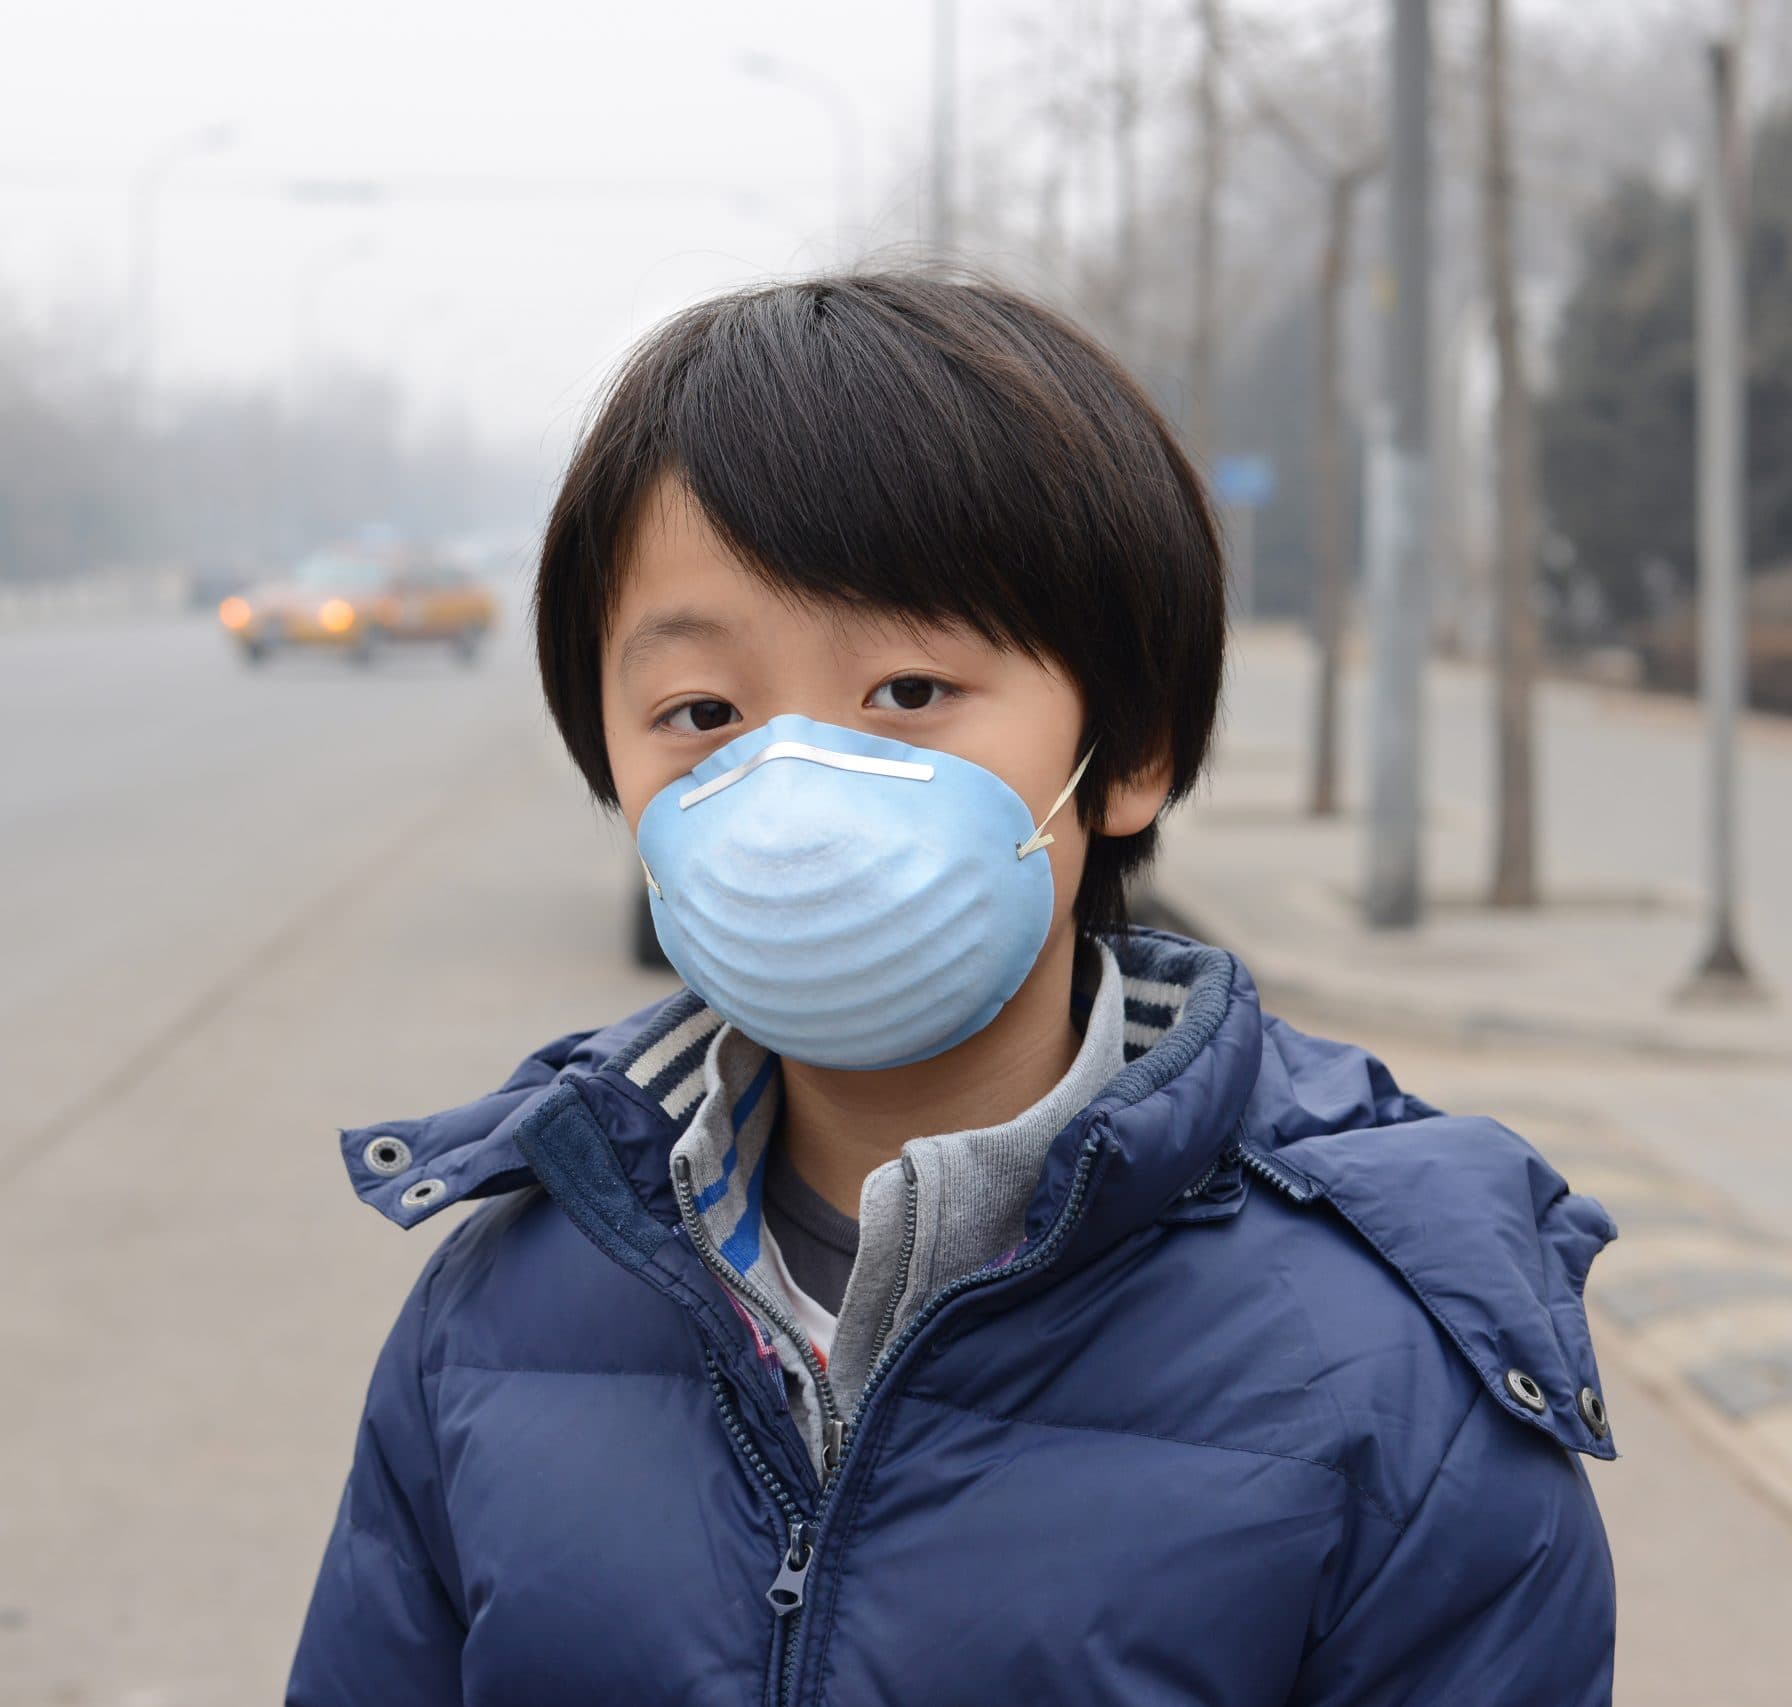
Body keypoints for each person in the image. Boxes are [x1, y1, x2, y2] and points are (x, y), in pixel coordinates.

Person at [287, 272, 1617, 1706]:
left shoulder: (1386, 1374)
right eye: (704, 715)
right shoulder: (496, 1318)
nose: (790, 792)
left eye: (910, 691)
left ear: (1134, 751)